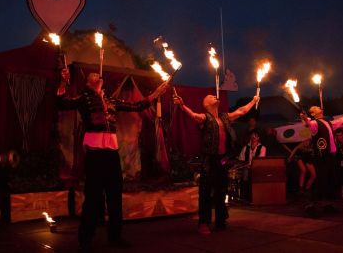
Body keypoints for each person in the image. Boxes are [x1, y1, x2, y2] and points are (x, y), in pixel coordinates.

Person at [57, 69, 168, 250]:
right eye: (92, 75)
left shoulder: (111, 100)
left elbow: (137, 106)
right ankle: (85, 239)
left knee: (115, 197)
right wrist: (63, 83)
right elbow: (61, 103)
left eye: (98, 74)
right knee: (92, 198)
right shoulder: (83, 98)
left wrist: (156, 94)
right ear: (87, 83)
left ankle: (115, 237)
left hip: (111, 155)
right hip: (95, 155)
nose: (96, 75)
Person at [173, 93, 259, 235]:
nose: (215, 96)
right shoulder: (205, 118)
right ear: (206, 104)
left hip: (222, 160)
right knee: (205, 192)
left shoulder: (225, 117)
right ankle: (203, 223)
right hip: (209, 160)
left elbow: (241, 111)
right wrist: (182, 106)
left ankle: (220, 220)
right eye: (211, 96)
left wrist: (253, 100)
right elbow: (194, 116)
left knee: (221, 191)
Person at [300, 106, 343, 214]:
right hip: (321, 157)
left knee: (330, 180)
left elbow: (340, 121)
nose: (319, 107)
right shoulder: (315, 124)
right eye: (316, 108)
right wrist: (304, 118)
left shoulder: (328, 123)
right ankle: (310, 205)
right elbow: (309, 124)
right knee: (320, 180)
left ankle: (327, 205)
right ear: (313, 114)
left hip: (330, 156)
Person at [237, 129, 267, 201]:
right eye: (252, 136)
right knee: (245, 172)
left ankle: (256, 195)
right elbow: (241, 159)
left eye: (255, 136)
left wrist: (252, 166)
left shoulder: (262, 148)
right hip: (247, 168)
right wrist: (245, 165)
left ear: (258, 138)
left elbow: (260, 160)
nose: (253, 138)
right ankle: (245, 196)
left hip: (257, 168)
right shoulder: (245, 148)